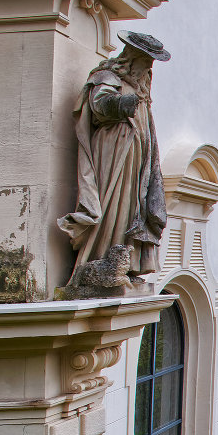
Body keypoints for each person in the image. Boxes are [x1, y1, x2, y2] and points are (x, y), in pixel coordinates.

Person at [58, 30, 169, 282]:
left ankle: (126, 261)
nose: (149, 67)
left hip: (136, 156)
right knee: (113, 202)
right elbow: (99, 105)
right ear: (132, 57)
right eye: (146, 61)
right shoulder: (107, 76)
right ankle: (101, 255)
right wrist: (123, 103)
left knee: (132, 205)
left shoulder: (140, 86)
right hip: (114, 152)